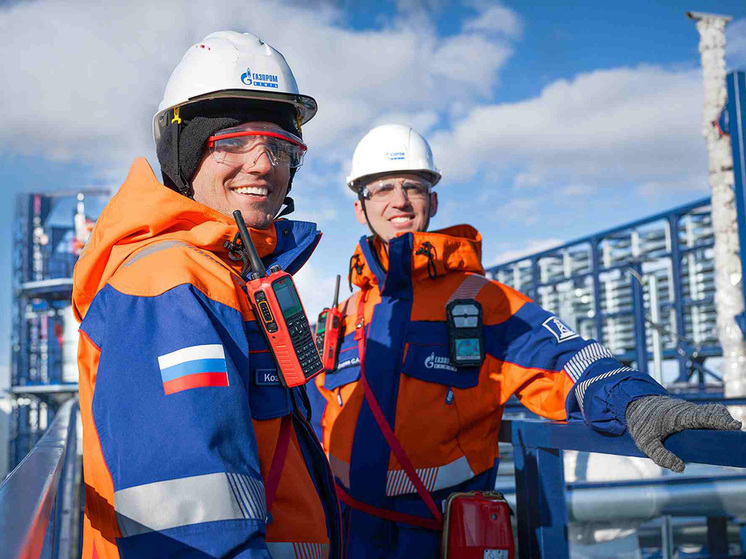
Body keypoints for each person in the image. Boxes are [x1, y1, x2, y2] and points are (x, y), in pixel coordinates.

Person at [309, 123, 741, 558]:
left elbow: (569, 361)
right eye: (382, 188)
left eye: (413, 186)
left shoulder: (480, 301)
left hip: (439, 537)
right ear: (360, 207)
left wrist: (638, 402)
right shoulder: (344, 316)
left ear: (432, 201)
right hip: (346, 535)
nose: (399, 200)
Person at [73, 31, 340, 559]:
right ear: (185, 153)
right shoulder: (170, 282)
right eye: (233, 142)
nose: (262, 164)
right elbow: (195, 527)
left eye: (280, 146)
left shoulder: (229, 276)